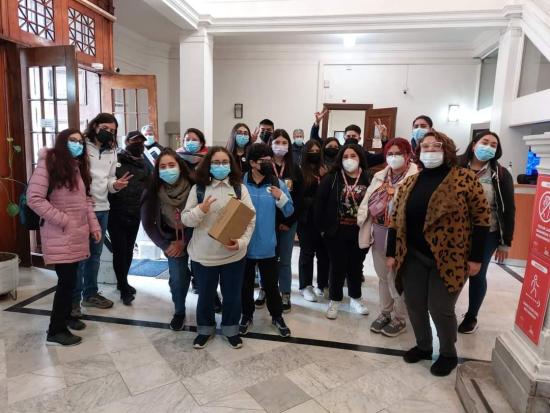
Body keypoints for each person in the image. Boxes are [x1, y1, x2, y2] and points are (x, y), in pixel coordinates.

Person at [386, 131, 490, 377]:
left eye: (436, 146)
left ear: (448, 150)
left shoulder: (464, 178)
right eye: (425, 146)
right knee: (414, 303)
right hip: (412, 255)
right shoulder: (411, 181)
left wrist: (476, 258)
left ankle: (447, 353)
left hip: (450, 257)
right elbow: (395, 221)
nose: (430, 150)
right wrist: (391, 253)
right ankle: (423, 345)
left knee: (440, 307)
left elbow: (482, 220)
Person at [27, 129, 101, 346]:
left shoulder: (77, 167)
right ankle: (55, 330)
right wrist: (63, 219)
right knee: (66, 281)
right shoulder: (48, 163)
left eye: (80, 141)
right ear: (62, 141)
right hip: (60, 233)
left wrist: (93, 226)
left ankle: (67, 317)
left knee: (71, 280)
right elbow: (34, 198)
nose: (77, 145)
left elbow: (86, 201)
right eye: (72, 140)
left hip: (76, 233)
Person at [182, 147, 256, 349]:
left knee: (232, 295)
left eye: (225, 162)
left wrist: (241, 243)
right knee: (205, 295)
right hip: (204, 255)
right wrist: (200, 210)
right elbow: (186, 219)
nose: (221, 166)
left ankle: (231, 330)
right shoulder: (198, 188)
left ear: (231, 165)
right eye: (216, 162)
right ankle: (205, 330)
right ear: (208, 165)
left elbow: (251, 219)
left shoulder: (240, 188)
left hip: (233, 255)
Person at [357, 138, 418, 337]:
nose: (394, 157)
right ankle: (385, 313)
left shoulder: (416, 177)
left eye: (398, 153)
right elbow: (367, 200)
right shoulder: (380, 176)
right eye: (390, 154)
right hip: (379, 231)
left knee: (398, 278)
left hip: (402, 236)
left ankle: (400, 318)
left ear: (408, 155)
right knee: (383, 277)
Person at [72, 113, 132, 315]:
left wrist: (115, 185)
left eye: (113, 130)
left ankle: (90, 294)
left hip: (103, 208)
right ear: (95, 126)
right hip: (81, 209)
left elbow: (109, 179)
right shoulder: (81, 146)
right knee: (79, 255)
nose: (109, 133)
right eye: (106, 128)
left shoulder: (112, 150)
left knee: (95, 255)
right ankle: (73, 300)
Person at [457, 131, 515, 334]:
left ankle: (472, 316)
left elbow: (508, 209)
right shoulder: (456, 167)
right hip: (455, 231)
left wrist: (505, 241)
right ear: (474, 145)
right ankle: (444, 309)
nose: (488, 147)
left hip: (487, 233)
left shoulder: (499, 174)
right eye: (485, 142)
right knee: (454, 271)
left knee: (477, 272)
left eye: (493, 144)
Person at [240, 143, 294, 337]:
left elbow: (289, 211)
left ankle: (277, 316)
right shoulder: (240, 182)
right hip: (243, 245)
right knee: (245, 285)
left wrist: (281, 198)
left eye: (270, 159)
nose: (269, 163)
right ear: (253, 163)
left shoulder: (276, 183)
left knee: (271, 285)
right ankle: (246, 315)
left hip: (268, 246)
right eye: (264, 160)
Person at [315, 143, 371, 320]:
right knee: (337, 267)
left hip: (360, 231)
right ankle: (335, 300)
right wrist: (323, 229)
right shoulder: (331, 178)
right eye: (345, 156)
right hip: (336, 231)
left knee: (356, 266)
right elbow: (319, 205)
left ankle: (355, 298)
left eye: (353, 156)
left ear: (360, 158)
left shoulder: (369, 179)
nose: (349, 160)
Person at [141, 148, 194, 330]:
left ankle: (212, 298)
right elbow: (148, 223)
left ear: (180, 166)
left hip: (195, 236)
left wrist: (184, 241)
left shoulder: (194, 185)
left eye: (171, 165)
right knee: (178, 278)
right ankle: (179, 310)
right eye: (163, 166)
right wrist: (165, 244)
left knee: (203, 275)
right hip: (171, 239)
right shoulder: (153, 190)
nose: (167, 169)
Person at [107, 131, 150, 305]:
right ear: (126, 142)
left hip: (135, 212)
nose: (138, 144)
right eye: (134, 141)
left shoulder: (144, 162)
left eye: (141, 141)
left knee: (129, 250)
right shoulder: (116, 160)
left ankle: (122, 282)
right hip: (116, 212)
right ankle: (124, 289)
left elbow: (151, 181)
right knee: (119, 250)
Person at [265, 129, 303, 312]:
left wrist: (288, 222)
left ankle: (285, 293)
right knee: (265, 258)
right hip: (266, 222)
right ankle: (264, 290)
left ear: (289, 145)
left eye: (284, 142)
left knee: (285, 260)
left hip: (288, 221)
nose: (280, 146)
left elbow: (300, 200)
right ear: (270, 144)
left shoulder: (295, 168)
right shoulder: (264, 167)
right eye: (276, 142)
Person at [298, 139, 330, 301]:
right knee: (307, 252)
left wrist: (325, 177)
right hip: (307, 219)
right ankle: (305, 286)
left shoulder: (325, 169)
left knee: (323, 253)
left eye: (318, 151)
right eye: (311, 151)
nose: (315, 154)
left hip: (324, 219)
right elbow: (297, 195)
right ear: (305, 153)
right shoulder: (299, 170)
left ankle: (322, 284)